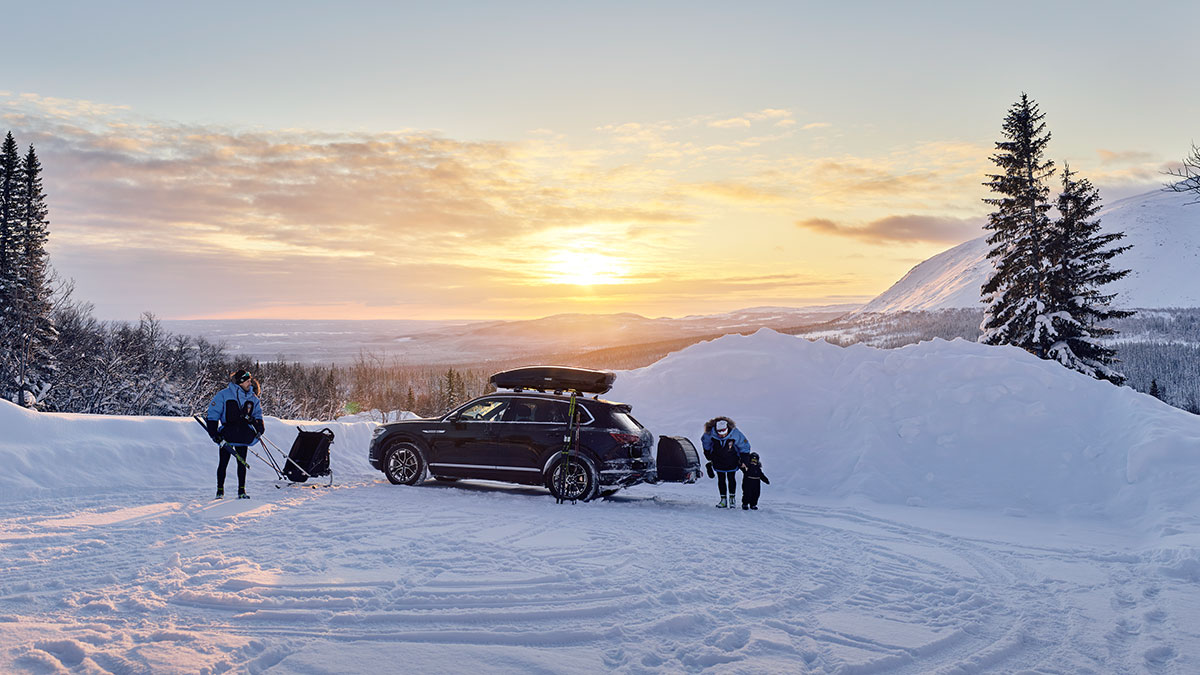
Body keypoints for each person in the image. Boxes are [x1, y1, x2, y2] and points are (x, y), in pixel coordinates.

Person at [205, 369, 265, 499]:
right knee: (223, 463)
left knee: (242, 463)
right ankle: (220, 491)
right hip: (227, 435)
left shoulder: (253, 398)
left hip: (243, 435)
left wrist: (259, 427)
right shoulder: (224, 395)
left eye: (250, 380)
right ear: (240, 382)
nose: (251, 383)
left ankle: (241, 491)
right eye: (248, 381)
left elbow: (257, 414)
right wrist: (213, 432)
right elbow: (213, 413)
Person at [701, 416, 750, 508]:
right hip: (718, 460)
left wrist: (744, 460)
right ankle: (723, 499)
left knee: (731, 478)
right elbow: (705, 443)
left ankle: (732, 499)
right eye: (719, 433)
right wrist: (708, 454)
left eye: (724, 433)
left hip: (732, 460)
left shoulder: (735, 434)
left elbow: (744, 446)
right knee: (721, 479)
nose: (722, 435)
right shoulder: (710, 434)